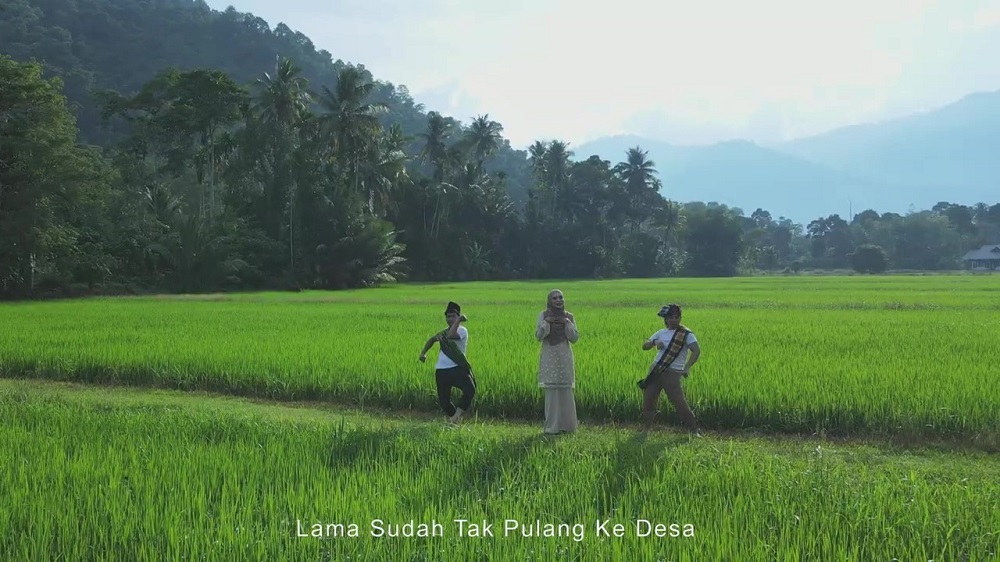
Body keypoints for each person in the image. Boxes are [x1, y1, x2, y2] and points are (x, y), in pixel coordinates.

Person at [639, 304, 701, 432]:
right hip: (655, 371)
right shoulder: (661, 333)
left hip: (673, 374)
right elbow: (645, 346)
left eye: (676, 317)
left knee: (679, 404)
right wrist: (655, 343)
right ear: (665, 319)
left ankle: (694, 430)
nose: (674, 320)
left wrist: (687, 367)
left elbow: (696, 350)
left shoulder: (686, 334)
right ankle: (646, 428)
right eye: (670, 317)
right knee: (648, 400)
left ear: (680, 318)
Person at [419, 301, 475, 424]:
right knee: (444, 401)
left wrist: (459, 321)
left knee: (470, 389)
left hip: (457, 368)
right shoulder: (443, 333)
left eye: (453, 316)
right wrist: (423, 352)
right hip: (442, 370)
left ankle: (455, 418)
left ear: (458, 316)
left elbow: (451, 335)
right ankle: (454, 420)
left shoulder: (462, 330)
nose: (450, 319)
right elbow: (432, 339)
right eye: (448, 316)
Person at [535, 289, 580, 434]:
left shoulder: (569, 317)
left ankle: (568, 426)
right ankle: (552, 427)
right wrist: (546, 323)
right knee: (552, 391)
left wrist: (567, 324)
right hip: (549, 356)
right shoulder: (543, 315)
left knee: (566, 391)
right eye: (555, 298)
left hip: (564, 355)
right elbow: (539, 336)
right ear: (550, 301)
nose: (558, 300)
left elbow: (574, 338)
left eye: (561, 297)